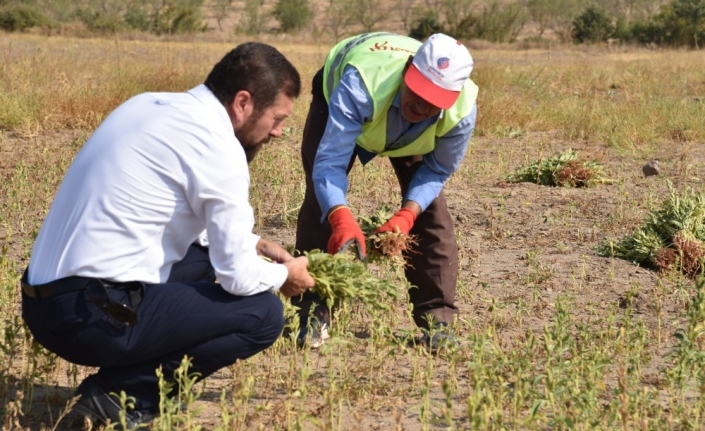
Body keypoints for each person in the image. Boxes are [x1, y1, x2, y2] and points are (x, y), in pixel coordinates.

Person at [21, 42, 315, 429]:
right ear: (243, 102)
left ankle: (124, 377)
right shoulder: (219, 147)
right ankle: (118, 399)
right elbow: (238, 276)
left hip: (46, 303)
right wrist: (285, 276)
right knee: (261, 313)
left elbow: (176, 218)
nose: (279, 132)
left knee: (202, 262)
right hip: (88, 318)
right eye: (277, 118)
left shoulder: (149, 105)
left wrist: (255, 244)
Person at [293, 32, 478, 351]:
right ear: (408, 69)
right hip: (340, 95)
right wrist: (340, 216)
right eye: (418, 91)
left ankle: (437, 322)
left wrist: (407, 214)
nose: (421, 105)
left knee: (431, 215)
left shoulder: (460, 112)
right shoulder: (361, 84)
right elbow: (329, 165)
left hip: (404, 135)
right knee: (319, 203)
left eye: (434, 100)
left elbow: (437, 169)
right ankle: (313, 312)